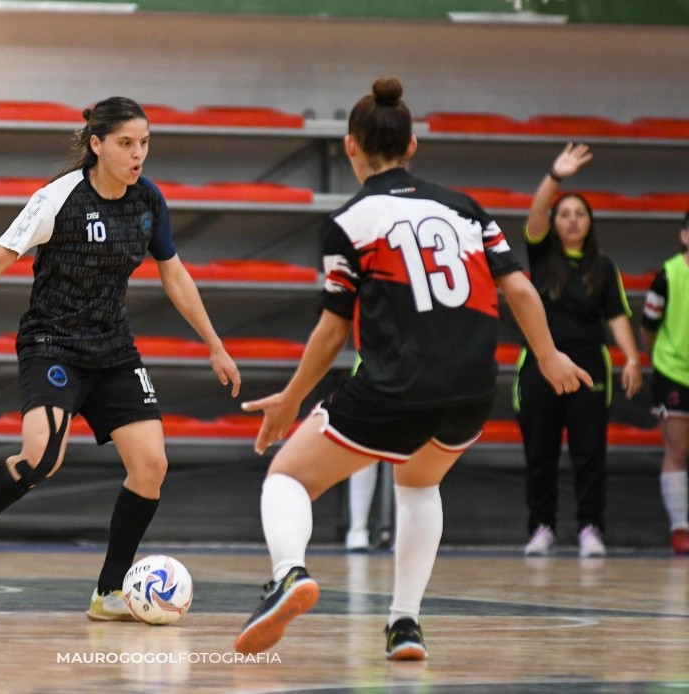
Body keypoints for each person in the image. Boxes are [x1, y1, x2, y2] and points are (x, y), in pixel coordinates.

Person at [233, 77, 591, 660]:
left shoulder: (350, 221)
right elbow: (521, 289)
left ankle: (289, 575)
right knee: (420, 483)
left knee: (289, 478)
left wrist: (293, 397)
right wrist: (548, 357)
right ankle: (405, 625)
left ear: (350, 147)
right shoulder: (467, 208)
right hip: (472, 389)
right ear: (413, 144)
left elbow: (331, 330)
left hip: (396, 385)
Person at [0, 96, 242, 620]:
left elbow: (175, 275)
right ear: (97, 145)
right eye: (127, 144)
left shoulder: (148, 202)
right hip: (52, 344)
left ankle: (109, 593)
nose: (138, 155)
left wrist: (216, 346)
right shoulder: (57, 199)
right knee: (42, 456)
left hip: (113, 351)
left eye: (145, 143)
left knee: (151, 466)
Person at [516, 143, 642, 559]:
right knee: (540, 452)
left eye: (579, 214)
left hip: (590, 365)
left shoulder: (603, 267)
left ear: (590, 222)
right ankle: (541, 527)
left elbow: (617, 316)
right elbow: (535, 214)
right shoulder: (541, 253)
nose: (571, 221)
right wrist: (556, 176)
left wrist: (632, 358)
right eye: (564, 214)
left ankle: (591, 527)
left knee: (590, 452)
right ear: (556, 222)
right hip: (541, 363)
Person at [640, 211, 689, 555]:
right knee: (678, 450)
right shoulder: (667, 276)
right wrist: (657, 358)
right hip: (674, 372)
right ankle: (680, 528)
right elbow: (648, 326)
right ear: (684, 235)